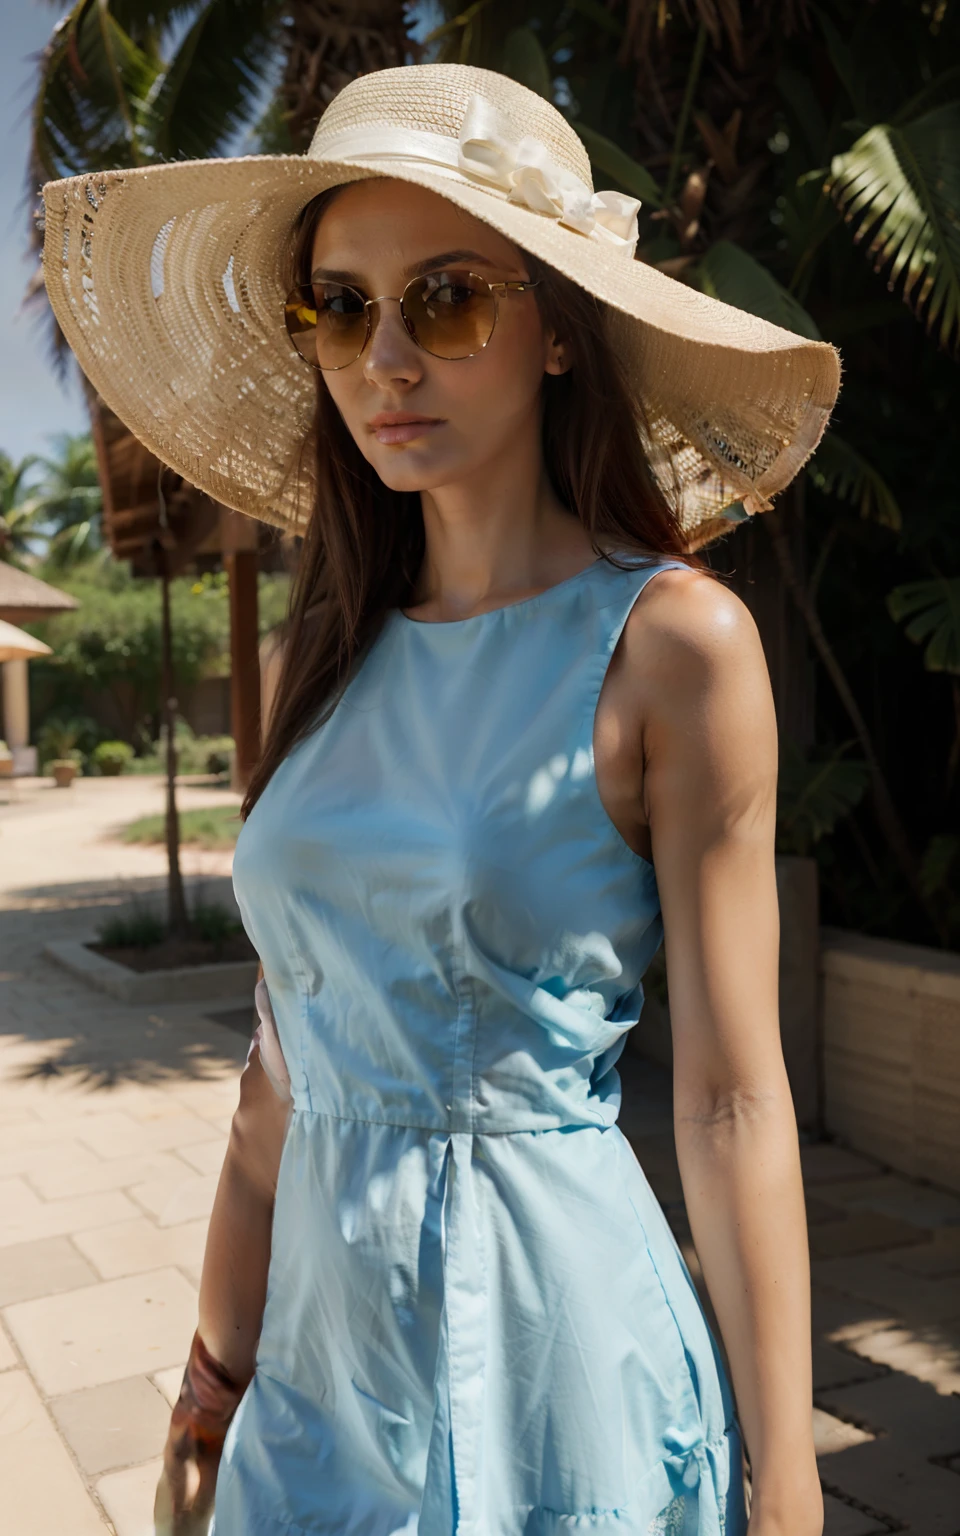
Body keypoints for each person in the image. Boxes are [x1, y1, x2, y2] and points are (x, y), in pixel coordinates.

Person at [42, 63, 841, 1536]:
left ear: (553, 330)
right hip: (317, 1379)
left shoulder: (675, 647)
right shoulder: (323, 651)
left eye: (449, 300)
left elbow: (730, 1099)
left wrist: (786, 1476)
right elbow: (277, 1084)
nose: (384, 359)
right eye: (339, 307)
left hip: (552, 1362)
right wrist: (213, 1378)